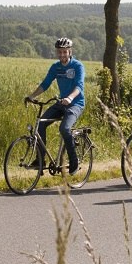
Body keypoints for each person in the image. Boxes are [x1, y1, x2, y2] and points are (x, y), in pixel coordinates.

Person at [26, 37, 85, 174]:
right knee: (40, 124)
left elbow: (79, 86)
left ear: (70, 52)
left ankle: (74, 162)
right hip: (61, 103)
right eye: (59, 52)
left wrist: (70, 98)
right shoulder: (55, 67)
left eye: (65, 52)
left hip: (75, 104)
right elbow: (45, 84)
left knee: (64, 128)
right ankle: (40, 160)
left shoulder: (77, 66)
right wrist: (32, 96)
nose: (62, 55)